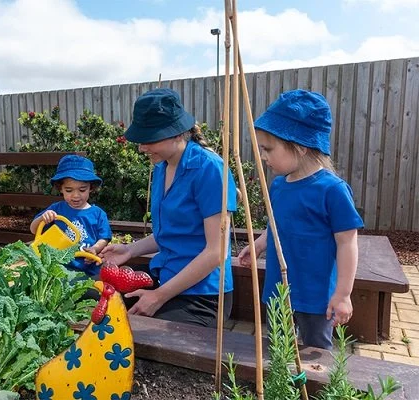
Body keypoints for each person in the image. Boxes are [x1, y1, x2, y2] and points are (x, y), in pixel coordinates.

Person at [100, 88, 238, 327]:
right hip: (166, 278)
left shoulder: (209, 169)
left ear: (176, 133)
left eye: (149, 139)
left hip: (202, 296)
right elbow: (171, 234)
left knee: (132, 333)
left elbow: (216, 252)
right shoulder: (163, 166)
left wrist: (158, 297)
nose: (142, 148)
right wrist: (130, 250)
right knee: (95, 302)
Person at [237, 89, 364, 350]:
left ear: (301, 146)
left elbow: (347, 243)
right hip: (279, 291)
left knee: (316, 355)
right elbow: (277, 225)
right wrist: (260, 244)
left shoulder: (332, 190)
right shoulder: (279, 186)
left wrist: (343, 294)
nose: (263, 157)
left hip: (316, 297)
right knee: (279, 353)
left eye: (268, 149)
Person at [30, 154, 112, 277]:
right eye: (69, 190)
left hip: (88, 270)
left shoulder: (98, 214)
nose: (76, 195)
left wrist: (95, 249)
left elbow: (104, 238)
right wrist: (43, 218)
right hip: (59, 269)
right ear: (60, 188)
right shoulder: (56, 209)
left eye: (82, 190)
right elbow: (34, 229)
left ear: (91, 187)